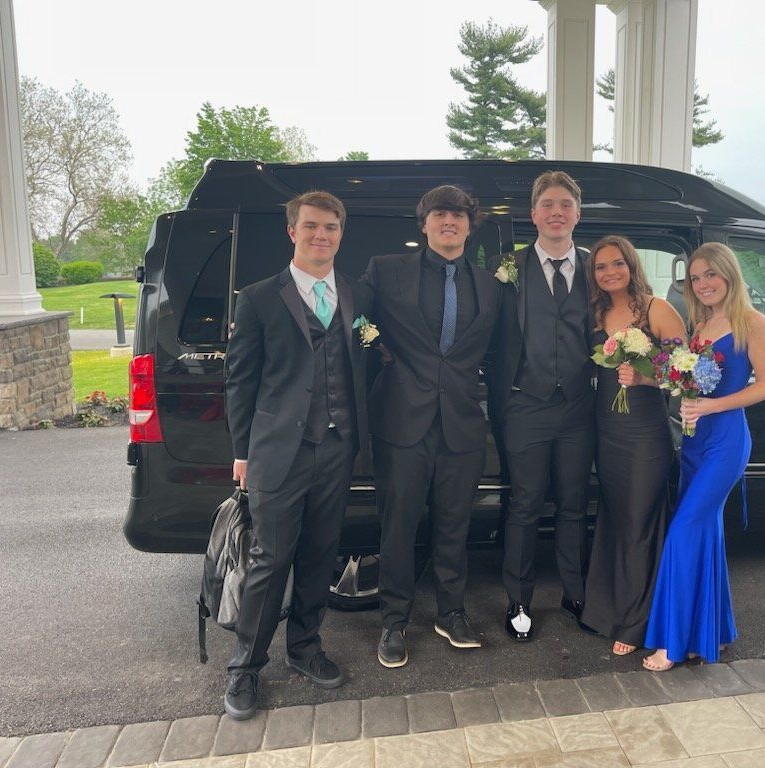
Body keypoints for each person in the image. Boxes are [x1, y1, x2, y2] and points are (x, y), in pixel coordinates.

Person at [223, 190, 370, 719]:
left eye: (330, 227)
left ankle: (305, 648)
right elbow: (240, 382)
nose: (320, 235)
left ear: (341, 233)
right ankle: (245, 667)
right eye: (310, 226)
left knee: (320, 554)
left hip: (337, 447)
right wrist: (242, 452)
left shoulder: (355, 294)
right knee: (270, 560)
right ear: (292, 231)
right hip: (279, 451)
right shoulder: (259, 297)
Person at [363, 185, 500, 668]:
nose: (449, 221)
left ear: (469, 225)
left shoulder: (489, 285)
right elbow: (353, 319)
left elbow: (498, 351)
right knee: (398, 526)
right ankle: (393, 621)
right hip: (401, 419)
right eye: (440, 214)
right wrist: (378, 350)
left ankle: (451, 613)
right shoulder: (386, 270)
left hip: (461, 422)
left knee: (454, 524)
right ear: (423, 224)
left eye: (459, 215)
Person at [643, 242, 765, 671]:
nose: (702, 284)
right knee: (705, 536)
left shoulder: (752, 323)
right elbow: (688, 382)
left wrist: (711, 406)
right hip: (694, 442)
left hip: (725, 443)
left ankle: (673, 643)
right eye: (695, 278)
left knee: (684, 531)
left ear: (729, 275)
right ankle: (706, 634)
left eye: (710, 275)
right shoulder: (700, 325)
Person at [487, 170, 596, 642]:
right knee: (525, 504)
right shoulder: (506, 267)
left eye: (565, 205)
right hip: (524, 406)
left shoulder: (596, 267)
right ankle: (519, 600)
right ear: (533, 214)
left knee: (574, 504)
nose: (556, 213)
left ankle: (576, 593)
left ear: (577, 213)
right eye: (548, 204)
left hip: (579, 407)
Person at [580, 235, 687, 656]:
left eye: (617, 264)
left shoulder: (656, 309)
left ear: (631, 265)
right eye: (601, 267)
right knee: (615, 518)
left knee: (640, 520)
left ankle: (637, 622)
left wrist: (645, 378)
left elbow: (684, 373)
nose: (610, 272)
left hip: (645, 435)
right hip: (607, 431)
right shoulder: (597, 312)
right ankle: (606, 612)